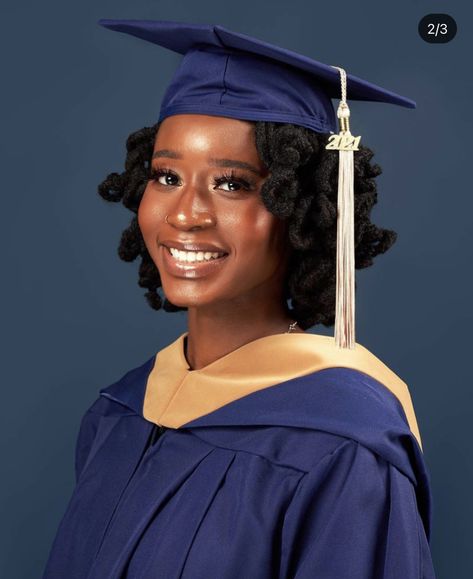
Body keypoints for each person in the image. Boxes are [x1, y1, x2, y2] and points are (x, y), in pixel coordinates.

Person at [42, 19, 436, 579]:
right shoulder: (118, 414)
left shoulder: (344, 448)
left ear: (302, 211)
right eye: (166, 176)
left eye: (232, 184)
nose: (184, 214)